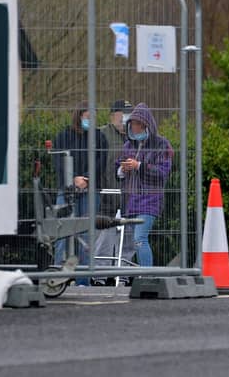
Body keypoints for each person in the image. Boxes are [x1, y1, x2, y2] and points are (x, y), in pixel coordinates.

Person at [52, 101, 108, 285]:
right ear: (79, 116)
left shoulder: (100, 138)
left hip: (90, 190)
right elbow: (58, 161)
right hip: (67, 190)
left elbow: (101, 162)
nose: (91, 120)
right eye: (87, 117)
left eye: (93, 117)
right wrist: (73, 179)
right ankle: (57, 279)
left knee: (86, 236)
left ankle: (84, 281)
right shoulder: (63, 136)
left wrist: (86, 179)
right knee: (62, 234)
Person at [116, 103, 173, 267]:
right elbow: (116, 168)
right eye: (132, 124)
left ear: (147, 125)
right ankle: (140, 275)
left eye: (138, 125)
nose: (135, 128)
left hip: (150, 200)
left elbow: (163, 172)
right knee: (134, 243)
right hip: (130, 201)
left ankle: (147, 275)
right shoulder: (127, 145)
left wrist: (139, 166)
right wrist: (122, 169)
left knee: (140, 238)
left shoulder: (162, 145)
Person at [92, 99, 135, 286]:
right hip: (105, 196)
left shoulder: (134, 137)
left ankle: (123, 276)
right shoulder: (101, 134)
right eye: (122, 113)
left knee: (128, 238)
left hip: (129, 197)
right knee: (104, 238)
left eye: (129, 113)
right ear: (112, 115)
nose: (126, 118)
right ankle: (99, 277)